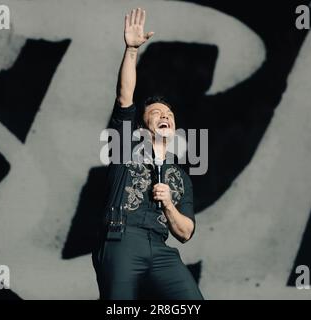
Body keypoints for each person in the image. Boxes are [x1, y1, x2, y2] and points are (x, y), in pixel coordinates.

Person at [92, 7, 204, 300]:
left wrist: (168, 205)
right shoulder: (125, 147)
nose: (164, 116)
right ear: (142, 127)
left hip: (161, 247)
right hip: (121, 240)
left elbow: (185, 232)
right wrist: (131, 50)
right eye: (156, 113)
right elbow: (124, 96)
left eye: (168, 114)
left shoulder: (180, 176)